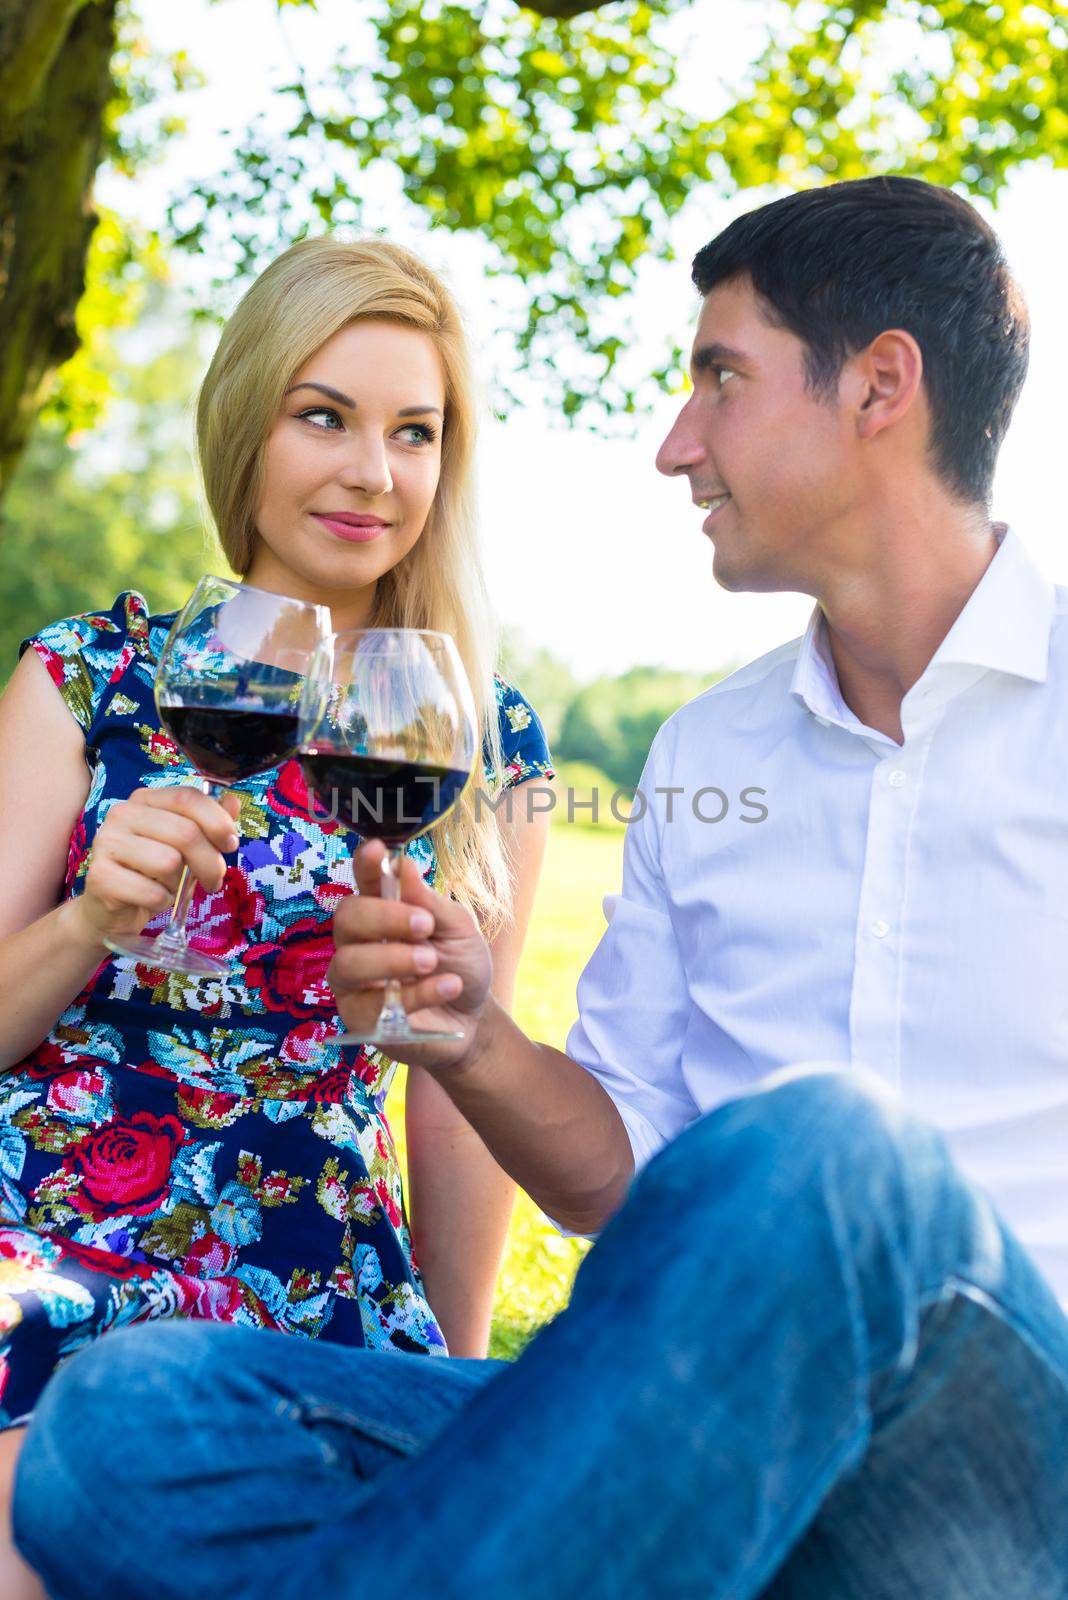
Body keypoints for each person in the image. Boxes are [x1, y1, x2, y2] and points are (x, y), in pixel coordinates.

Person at [12, 177, 1068, 1597]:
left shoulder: (485, 731)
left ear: (880, 387)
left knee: (823, 1153)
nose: (670, 445)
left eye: (718, 379)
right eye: (324, 414)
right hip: (719, 1422)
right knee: (121, 1422)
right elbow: (619, 1169)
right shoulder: (713, 753)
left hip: (1000, 1430)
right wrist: (467, 1030)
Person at [0, 238, 553, 1595]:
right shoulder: (90, 676)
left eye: (414, 433)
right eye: (327, 416)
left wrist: (452, 1396)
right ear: (249, 422)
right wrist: (85, 923)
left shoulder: (483, 746)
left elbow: (456, 1094)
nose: (374, 471)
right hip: (34, 1221)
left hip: (301, 1262)